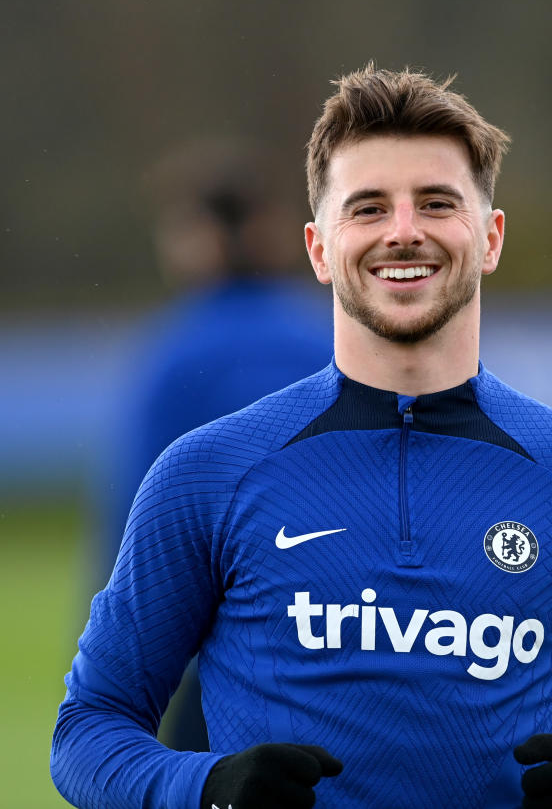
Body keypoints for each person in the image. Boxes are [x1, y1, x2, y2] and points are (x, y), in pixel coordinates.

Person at [53, 64, 552, 809]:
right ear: (316, 247)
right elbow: (88, 729)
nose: (404, 231)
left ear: (491, 236)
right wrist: (204, 784)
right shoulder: (205, 475)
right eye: (368, 208)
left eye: (437, 202)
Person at [92, 138, 332, 751]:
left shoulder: (177, 354)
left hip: (226, 655)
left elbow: (135, 518)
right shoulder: (332, 335)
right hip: (348, 637)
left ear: (204, 238)